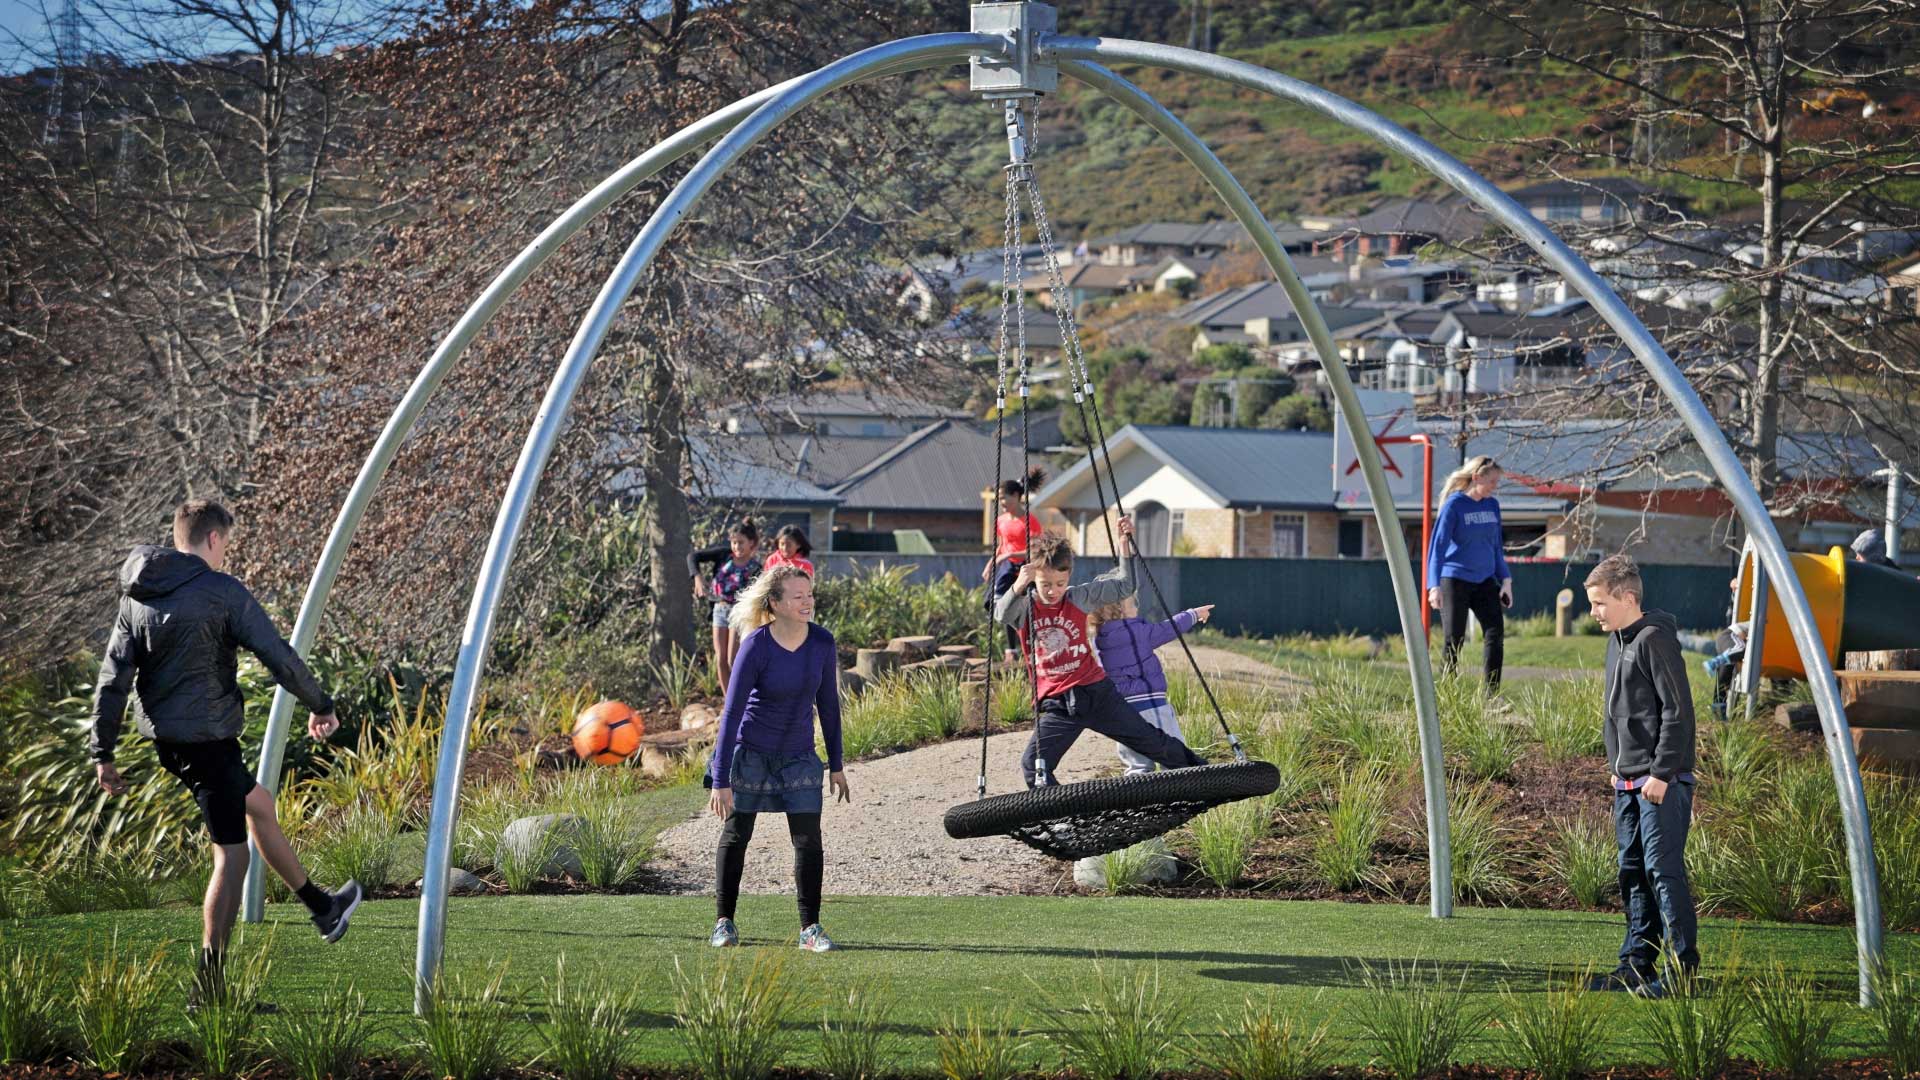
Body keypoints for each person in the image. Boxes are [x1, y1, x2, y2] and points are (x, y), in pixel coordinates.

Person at [89, 499, 363, 1007]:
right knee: (231, 858)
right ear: (214, 539)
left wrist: (103, 752)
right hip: (208, 743)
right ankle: (208, 989)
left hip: (173, 744)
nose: (225, 554)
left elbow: (113, 681)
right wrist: (321, 704)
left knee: (259, 805)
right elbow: (277, 655)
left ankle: (323, 907)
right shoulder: (221, 591)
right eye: (226, 545)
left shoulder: (138, 595)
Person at [994, 519, 1208, 788]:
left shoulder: (1077, 597)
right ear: (1033, 577)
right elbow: (1001, 615)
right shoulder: (1024, 608)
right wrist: (1017, 586)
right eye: (1045, 584)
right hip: (1059, 704)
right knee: (1034, 765)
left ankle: (1203, 774)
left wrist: (1123, 544)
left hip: (1097, 692)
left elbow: (1124, 586)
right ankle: (1060, 822)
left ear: (1069, 576)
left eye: (1060, 583)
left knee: (1152, 741)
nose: (1053, 591)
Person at [706, 565, 847, 953]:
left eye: (810, 594)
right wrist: (721, 779)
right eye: (798, 596)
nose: (807, 602)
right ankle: (724, 923)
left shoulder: (822, 642)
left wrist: (836, 764)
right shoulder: (756, 645)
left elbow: (829, 707)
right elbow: (731, 713)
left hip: (799, 756)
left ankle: (810, 930)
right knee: (737, 835)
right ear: (776, 603)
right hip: (751, 753)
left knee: (808, 840)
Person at [1584, 554, 1698, 998]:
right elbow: (1618, 714)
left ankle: (1683, 973)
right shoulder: (1618, 640)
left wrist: (1662, 772)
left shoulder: (1653, 640)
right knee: (1632, 870)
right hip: (1627, 781)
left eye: (1599, 603)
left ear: (1628, 598)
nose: (1594, 612)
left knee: (1662, 872)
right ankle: (1637, 965)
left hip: (1659, 783)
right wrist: (1617, 769)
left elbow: (1678, 712)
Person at [1087, 596, 1215, 776]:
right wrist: (1193, 614)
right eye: (1133, 604)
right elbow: (1168, 629)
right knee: (1171, 750)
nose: (1137, 607)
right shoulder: (1136, 632)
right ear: (1120, 610)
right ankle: (1180, 783)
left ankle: (1136, 788)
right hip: (1149, 703)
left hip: (1121, 708)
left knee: (1137, 760)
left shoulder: (1098, 637)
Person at [1426, 455, 1513, 690]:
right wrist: (1433, 587)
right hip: (1454, 580)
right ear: (1476, 478)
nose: (1496, 486)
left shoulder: (1492, 505)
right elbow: (1438, 548)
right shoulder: (1454, 506)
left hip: (1485, 580)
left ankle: (1491, 695)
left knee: (1495, 634)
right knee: (1454, 639)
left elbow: (1495, 548)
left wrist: (1506, 580)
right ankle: (1445, 694)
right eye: (1492, 481)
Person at [689, 518, 762, 691]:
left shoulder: (755, 568)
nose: (737, 547)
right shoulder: (723, 555)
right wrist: (697, 578)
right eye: (734, 542)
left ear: (751, 543)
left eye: (741, 543)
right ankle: (727, 702)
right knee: (720, 658)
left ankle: (741, 698)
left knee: (732, 659)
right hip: (720, 610)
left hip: (739, 613)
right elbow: (693, 557)